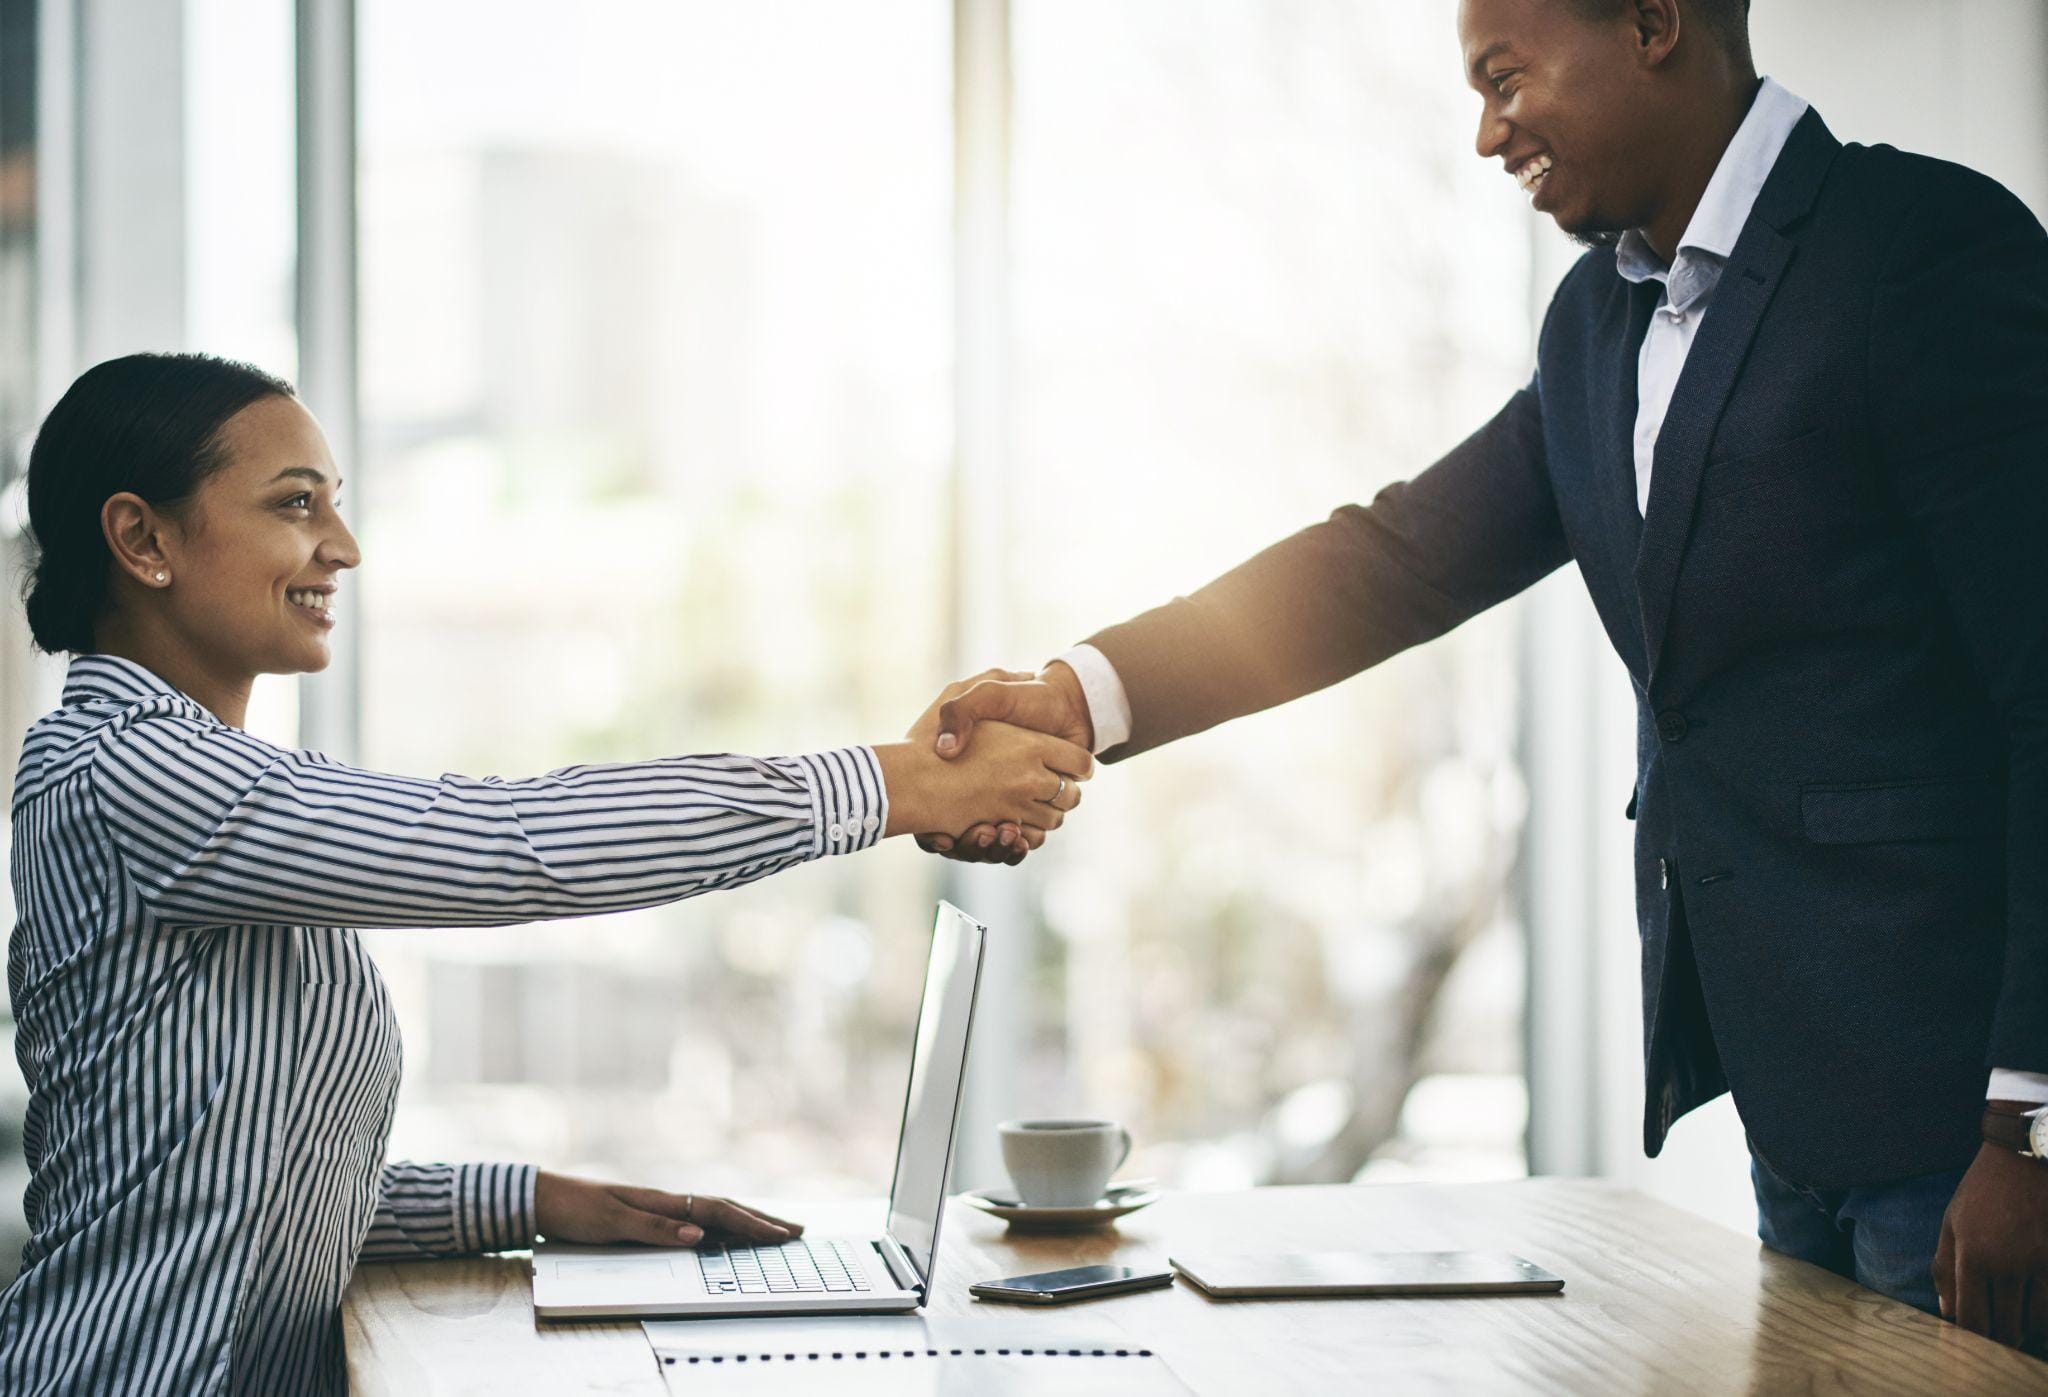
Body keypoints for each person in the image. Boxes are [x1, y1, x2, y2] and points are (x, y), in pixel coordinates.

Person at [921, 0, 2048, 1356]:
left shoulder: (1917, 250)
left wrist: (2030, 1127)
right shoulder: (1598, 327)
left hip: (1966, 1128)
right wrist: (1083, 694)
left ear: (1650, 24)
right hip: (1795, 1111)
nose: (1485, 131)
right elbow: (1396, 559)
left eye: (1505, 77)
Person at [0, 352, 1092, 1396]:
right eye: (295, 504)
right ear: (143, 537)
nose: (344, 544)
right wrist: (902, 784)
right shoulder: (125, 770)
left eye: (335, 501)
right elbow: (508, 841)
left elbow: (237, 1182)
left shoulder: (215, 790)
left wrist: (543, 1198)